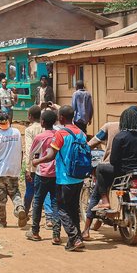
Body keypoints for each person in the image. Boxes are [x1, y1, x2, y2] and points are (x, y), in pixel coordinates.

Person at [32, 105, 87, 252]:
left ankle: (74, 237)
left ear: (61, 118)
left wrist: (37, 161)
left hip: (64, 178)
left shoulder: (61, 134)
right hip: (79, 177)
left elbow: (51, 155)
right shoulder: (80, 132)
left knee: (62, 209)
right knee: (74, 209)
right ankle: (77, 238)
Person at [92, 106, 137, 211]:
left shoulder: (120, 137)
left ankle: (105, 200)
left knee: (100, 168)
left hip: (124, 172)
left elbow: (113, 160)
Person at [25, 110, 61, 243]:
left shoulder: (40, 137)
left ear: (42, 122)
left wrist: (30, 166)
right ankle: (56, 235)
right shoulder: (59, 135)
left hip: (42, 173)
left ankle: (35, 232)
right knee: (56, 202)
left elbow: (32, 152)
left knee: (38, 202)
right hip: (57, 173)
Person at [0, 112, 27, 228]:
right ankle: (19, 207)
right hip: (14, 169)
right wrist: (19, 166)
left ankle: (2, 220)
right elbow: (21, 151)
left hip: (1, 170)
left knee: (1, 195)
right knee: (15, 192)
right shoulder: (17, 133)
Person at [81, 120, 119, 239]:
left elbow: (94, 141)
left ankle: (86, 230)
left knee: (96, 194)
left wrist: (86, 147)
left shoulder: (109, 126)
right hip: (132, 170)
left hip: (110, 167)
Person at [23, 106, 44, 212]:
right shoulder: (45, 128)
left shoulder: (29, 130)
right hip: (45, 165)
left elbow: (29, 149)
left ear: (30, 116)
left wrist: (27, 167)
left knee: (30, 190)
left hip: (33, 165)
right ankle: (48, 216)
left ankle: (25, 210)